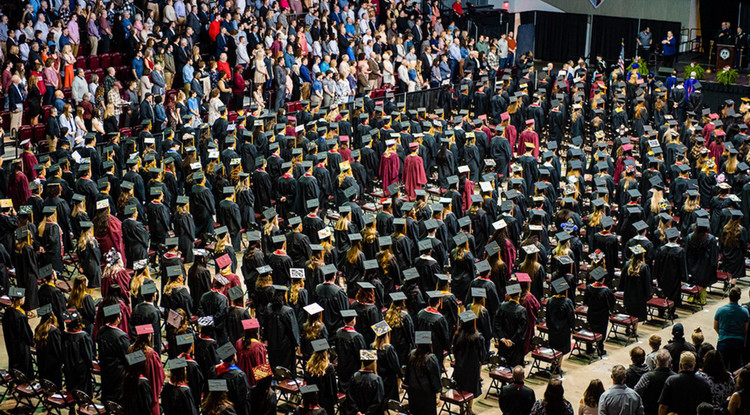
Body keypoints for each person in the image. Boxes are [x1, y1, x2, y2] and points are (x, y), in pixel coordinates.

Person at [404, 332, 442, 415]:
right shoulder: (431, 359)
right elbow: (435, 378)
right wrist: (438, 392)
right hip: (426, 394)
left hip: (413, 392)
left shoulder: (411, 354)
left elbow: (407, 375)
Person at [715, 287, 750, 371]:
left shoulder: (720, 310)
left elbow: (715, 326)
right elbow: (746, 329)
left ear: (728, 296)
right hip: (738, 342)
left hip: (723, 341)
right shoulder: (745, 311)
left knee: (722, 367)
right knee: (735, 367)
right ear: (739, 297)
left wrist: (722, 334)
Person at [634, 349, 675, 415]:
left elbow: (636, 392)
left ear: (655, 361)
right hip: (668, 412)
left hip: (649, 411)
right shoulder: (675, 378)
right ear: (669, 361)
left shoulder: (647, 376)